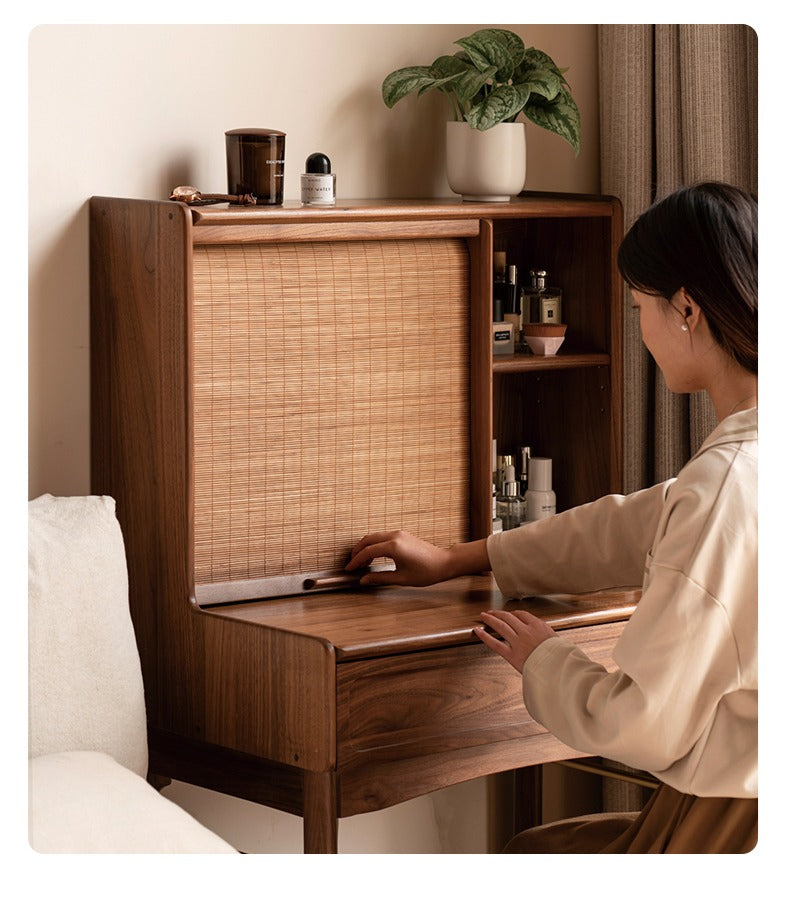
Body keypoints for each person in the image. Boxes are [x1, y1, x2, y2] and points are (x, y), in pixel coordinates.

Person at [346, 182, 758, 853]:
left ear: (686, 308)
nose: (641, 333)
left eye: (639, 308)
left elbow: (641, 723)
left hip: (730, 829)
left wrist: (546, 658)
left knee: (528, 854)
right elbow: (620, 528)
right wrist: (459, 558)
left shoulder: (722, 487)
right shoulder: (740, 466)